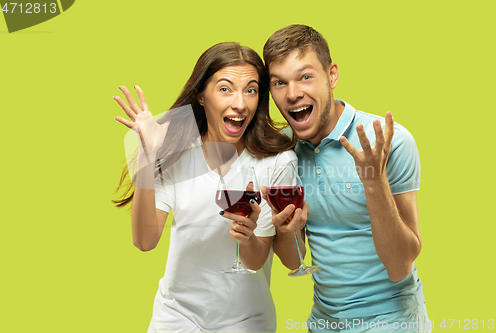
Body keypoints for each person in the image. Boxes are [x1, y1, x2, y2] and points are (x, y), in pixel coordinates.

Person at [112, 42, 297, 332]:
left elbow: (256, 260)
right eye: (225, 89)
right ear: (201, 96)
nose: (240, 103)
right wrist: (148, 158)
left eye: (250, 90)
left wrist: (247, 237)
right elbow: (145, 241)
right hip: (176, 316)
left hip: (246, 321)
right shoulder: (176, 152)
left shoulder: (276, 162)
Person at [263, 25, 430, 332]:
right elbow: (292, 261)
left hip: (392, 322)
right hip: (323, 322)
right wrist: (286, 230)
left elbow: (400, 265)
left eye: (305, 76)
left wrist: (374, 182)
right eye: (279, 82)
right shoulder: (283, 152)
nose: (293, 93)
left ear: (332, 76)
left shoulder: (388, 142)